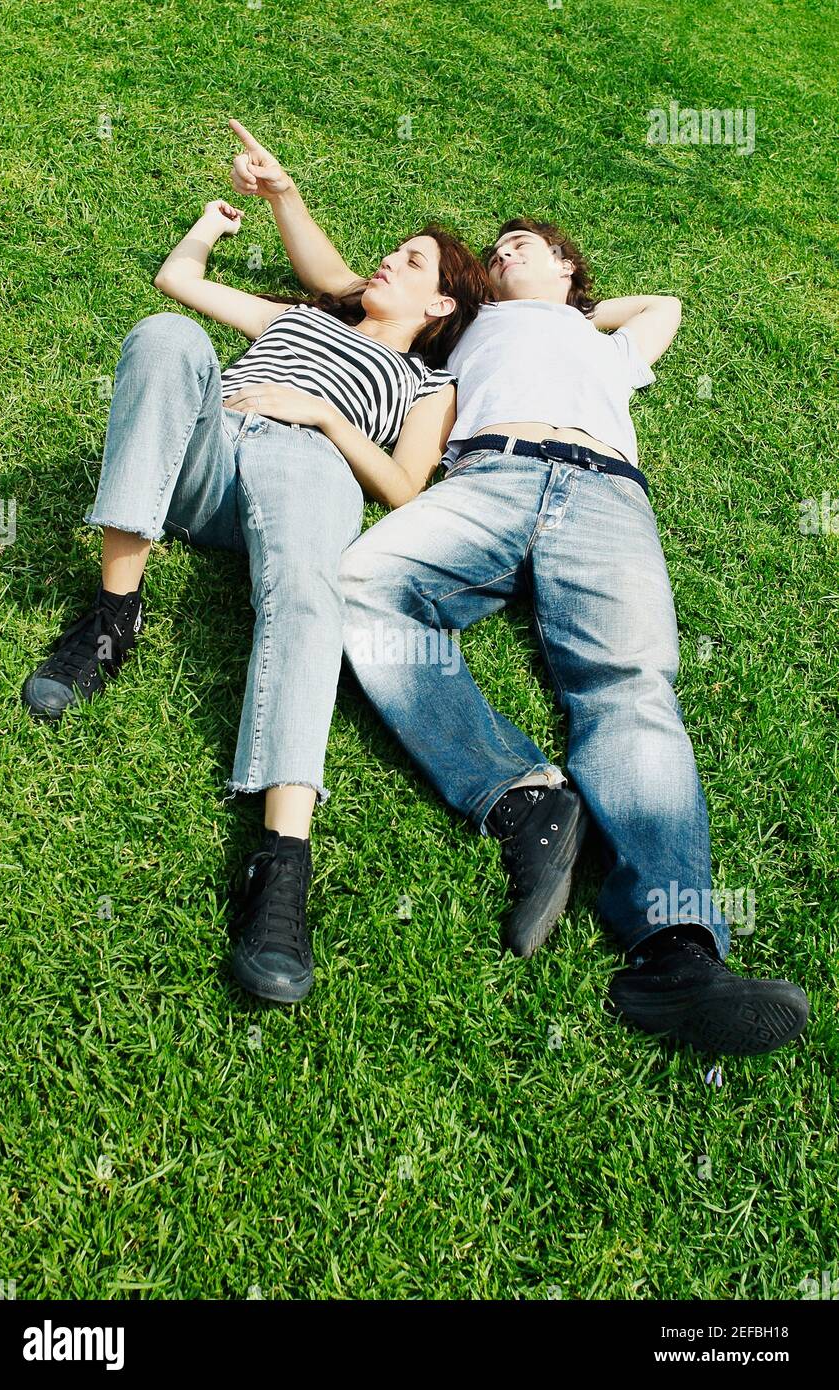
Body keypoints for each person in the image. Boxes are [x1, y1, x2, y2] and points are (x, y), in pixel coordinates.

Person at [237, 149, 809, 1054]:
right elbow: (338, 278)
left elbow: (664, 307)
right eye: (497, 251)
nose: (503, 255)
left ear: (570, 270)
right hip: (487, 476)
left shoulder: (605, 342)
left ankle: (678, 957)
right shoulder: (466, 326)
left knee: (629, 687)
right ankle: (522, 796)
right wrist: (287, 199)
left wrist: (569, 305)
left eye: (523, 247)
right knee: (359, 582)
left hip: (607, 493)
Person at [21, 120, 489, 1006]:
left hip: (307, 460)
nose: (390, 259)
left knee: (309, 599)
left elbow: (403, 487)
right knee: (166, 334)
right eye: (393, 250)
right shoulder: (302, 315)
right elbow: (179, 284)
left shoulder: (430, 385)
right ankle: (114, 616)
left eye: (413, 261)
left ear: (440, 308)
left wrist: (320, 416)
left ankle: (281, 867)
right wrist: (211, 225)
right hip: (209, 456)